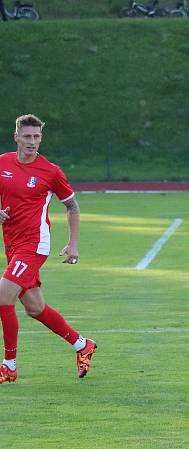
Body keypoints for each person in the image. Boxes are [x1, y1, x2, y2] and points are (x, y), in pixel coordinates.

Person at [0, 114, 97, 384]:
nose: (32, 142)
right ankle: (82, 345)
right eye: (27, 136)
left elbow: (72, 206)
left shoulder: (51, 171)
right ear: (16, 137)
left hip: (34, 245)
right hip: (13, 244)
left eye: (37, 137)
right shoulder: (2, 163)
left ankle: (9, 366)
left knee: (2, 296)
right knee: (34, 307)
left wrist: (73, 244)